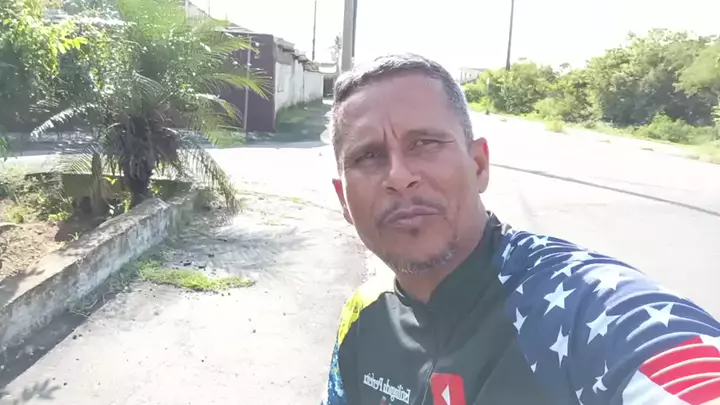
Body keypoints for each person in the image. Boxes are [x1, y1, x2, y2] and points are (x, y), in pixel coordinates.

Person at [320, 53, 720, 405]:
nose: (399, 176)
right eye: (368, 156)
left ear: (479, 165)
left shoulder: (582, 309)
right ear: (344, 201)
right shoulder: (364, 314)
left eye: (424, 144)